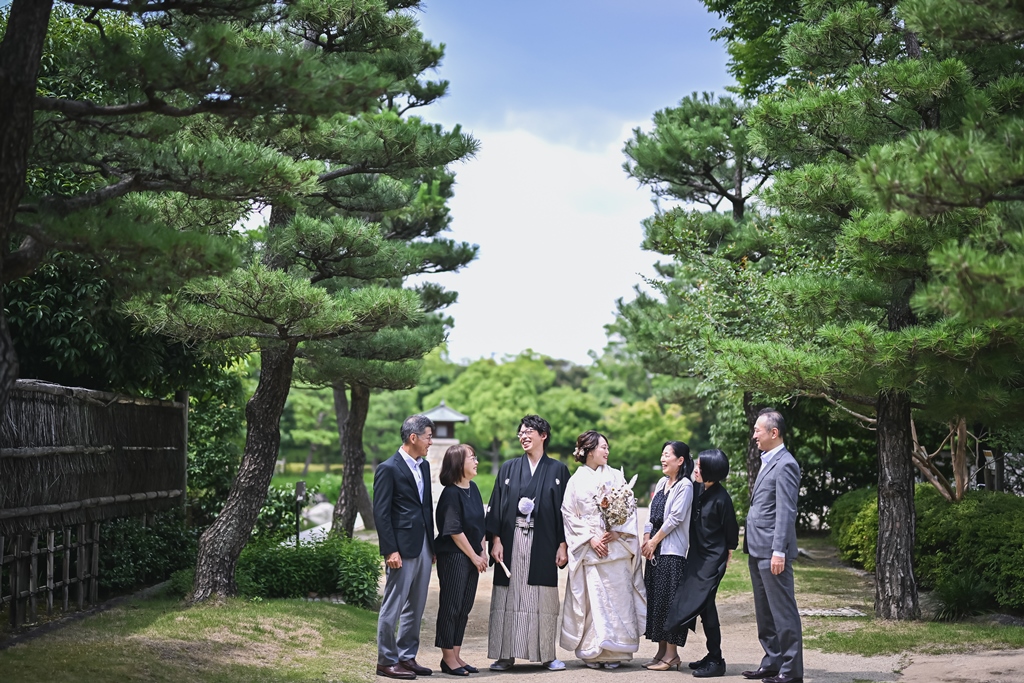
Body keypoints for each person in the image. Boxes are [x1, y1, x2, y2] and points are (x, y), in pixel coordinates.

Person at [485, 414, 571, 671]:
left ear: (543, 435)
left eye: (528, 432)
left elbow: (566, 512)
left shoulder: (558, 470)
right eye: (520, 433)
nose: (523, 436)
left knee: (542, 598)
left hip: (543, 541)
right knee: (507, 595)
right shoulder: (509, 468)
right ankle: (504, 654)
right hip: (511, 539)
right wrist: (496, 540)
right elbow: (497, 506)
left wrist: (563, 544)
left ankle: (546, 654)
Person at [559, 430, 646, 669]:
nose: (607, 451)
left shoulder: (617, 476)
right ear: (588, 450)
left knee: (617, 598)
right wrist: (590, 538)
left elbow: (628, 507)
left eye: (608, 447)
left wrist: (617, 532)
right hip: (591, 548)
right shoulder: (576, 480)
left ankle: (617, 651)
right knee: (593, 600)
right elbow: (568, 513)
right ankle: (593, 651)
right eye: (602, 447)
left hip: (615, 547)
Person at [665, 449, 739, 679]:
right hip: (696, 557)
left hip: (712, 561)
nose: (695, 469)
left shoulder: (721, 499)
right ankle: (712, 655)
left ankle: (716, 660)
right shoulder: (697, 488)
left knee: (707, 607)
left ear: (711, 471)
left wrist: (728, 554)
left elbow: (731, 532)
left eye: (700, 466)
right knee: (705, 608)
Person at [742, 409, 804, 683]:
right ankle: (772, 662)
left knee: (783, 612)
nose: (754, 435)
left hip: (772, 552)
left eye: (758, 430)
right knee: (765, 614)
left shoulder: (786, 464)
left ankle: (790, 672)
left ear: (773, 432)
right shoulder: (768, 461)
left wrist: (779, 550)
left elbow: (786, 512)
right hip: (757, 550)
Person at [373, 415, 436, 680]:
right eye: (428, 437)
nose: (430, 442)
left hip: (422, 543)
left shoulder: (424, 467)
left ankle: (406, 656)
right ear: (413, 437)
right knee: (394, 604)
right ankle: (386, 660)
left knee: (417, 604)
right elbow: (381, 513)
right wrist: (390, 550)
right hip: (400, 547)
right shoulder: (388, 468)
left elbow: (426, 506)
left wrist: (431, 546)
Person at [640, 441, 694, 671]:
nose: (663, 459)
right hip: (655, 553)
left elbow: (675, 518)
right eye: (661, 454)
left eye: (667, 455)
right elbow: (652, 513)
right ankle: (661, 651)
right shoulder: (662, 482)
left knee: (670, 604)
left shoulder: (685, 486)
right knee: (656, 602)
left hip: (671, 553)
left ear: (680, 460)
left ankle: (672, 655)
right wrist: (645, 538)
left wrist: (653, 541)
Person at [434, 444, 488, 676]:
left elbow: (481, 523)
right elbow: (454, 531)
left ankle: (456, 654)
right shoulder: (450, 493)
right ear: (458, 463)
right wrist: (474, 555)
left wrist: (483, 551)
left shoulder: (473, 489)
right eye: (472, 458)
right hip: (455, 556)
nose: (476, 462)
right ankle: (447, 658)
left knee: (464, 607)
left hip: (473, 556)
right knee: (451, 605)